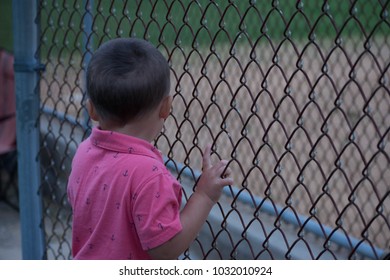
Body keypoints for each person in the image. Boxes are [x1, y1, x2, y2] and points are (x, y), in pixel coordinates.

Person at [67, 37, 234, 260]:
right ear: (166, 107)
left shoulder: (84, 152)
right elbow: (164, 248)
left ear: (91, 110)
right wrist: (203, 195)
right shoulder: (148, 174)